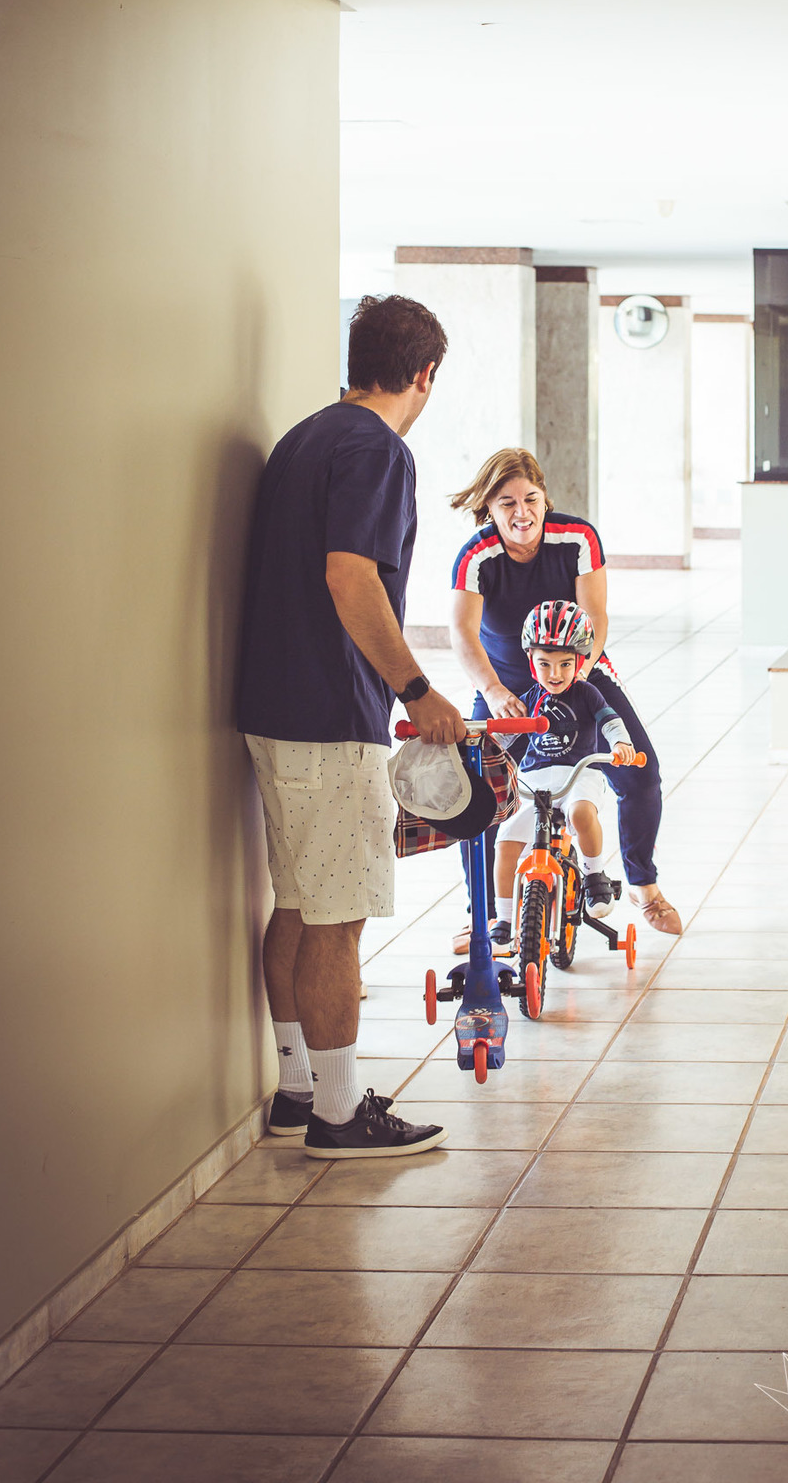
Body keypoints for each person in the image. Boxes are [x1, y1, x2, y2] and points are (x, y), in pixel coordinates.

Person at [237, 294, 466, 1160]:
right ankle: (339, 1116)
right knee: (338, 919)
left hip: (274, 709)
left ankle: (299, 1091)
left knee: (299, 904)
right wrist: (416, 691)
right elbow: (350, 576)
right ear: (424, 374)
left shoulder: (305, 437)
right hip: (332, 715)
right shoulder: (378, 448)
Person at [447, 447, 682, 947]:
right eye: (507, 503)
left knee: (641, 774)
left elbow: (595, 618)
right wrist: (493, 691)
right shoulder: (476, 557)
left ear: (545, 498)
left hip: (579, 672)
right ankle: (483, 913)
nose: (522, 512)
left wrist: (575, 681)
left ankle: (642, 885)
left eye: (530, 499)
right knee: (477, 794)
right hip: (506, 688)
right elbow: (463, 636)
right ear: (489, 507)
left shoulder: (577, 538)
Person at [490, 600, 633, 952]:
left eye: (565, 664)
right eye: (545, 664)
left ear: (579, 662)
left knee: (581, 813)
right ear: (531, 662)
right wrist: (483, 748)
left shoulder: (586, 692)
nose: (555, 674)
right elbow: (504, 735)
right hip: (534, 779)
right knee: (505, 842)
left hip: (579, 774)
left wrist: (621, 743)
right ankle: (504, 918)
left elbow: (610, 720)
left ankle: (595, 874)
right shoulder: (530, 698)